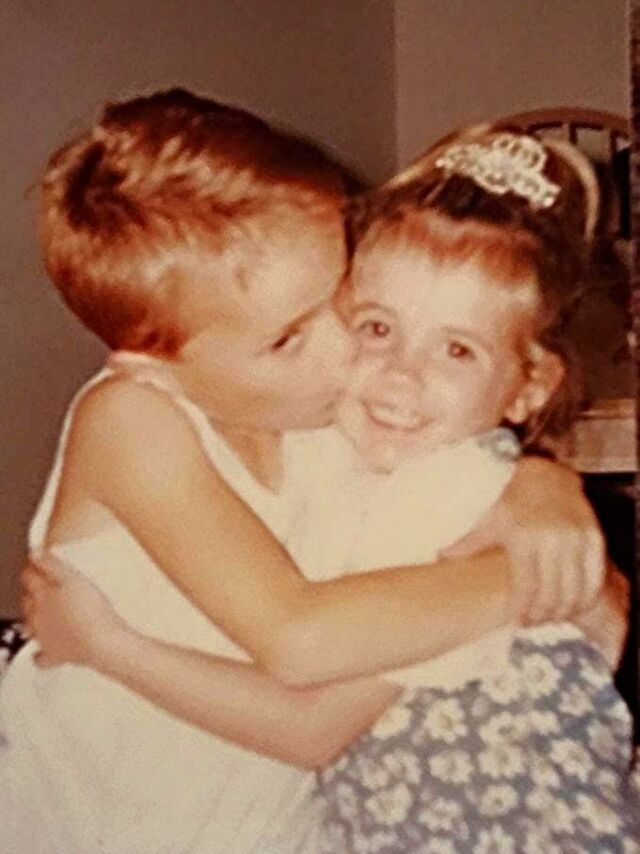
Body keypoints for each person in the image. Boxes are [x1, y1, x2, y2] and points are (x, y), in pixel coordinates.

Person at [6, 90, 618, 854]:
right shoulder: (131, 418)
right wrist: (548, 578)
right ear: (152, 365)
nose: (348, 350)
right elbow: (299, 639)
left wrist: (541, 487)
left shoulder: (332, 423)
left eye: (343, 297)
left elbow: (476, 492)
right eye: (288, 339)